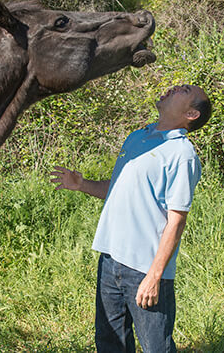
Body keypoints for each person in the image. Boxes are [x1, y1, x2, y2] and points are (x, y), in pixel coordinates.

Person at [50, 85, 212, 352]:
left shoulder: (182, 155)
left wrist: (154, 276)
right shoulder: (137, 137)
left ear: (191, 114)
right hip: (110, 260)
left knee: (156, 347)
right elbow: (116, 190)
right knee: (110, 343)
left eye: (184, 90)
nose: (174, 87)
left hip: (144, 268)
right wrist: (82, 184)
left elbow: (177, 221)